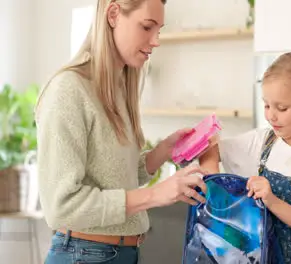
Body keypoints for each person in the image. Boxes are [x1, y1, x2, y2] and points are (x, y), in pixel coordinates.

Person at [35, 0, 207, 263]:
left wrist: (162, 152)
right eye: (147, 27)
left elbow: (115, 179)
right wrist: (155, 195)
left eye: (158, 30)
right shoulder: (67, 91)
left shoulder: (117, 89)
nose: (156, 41)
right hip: (84, 255)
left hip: (122, 253)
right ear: (113, 14)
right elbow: (62, 206)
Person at [200, 52, 291, 263]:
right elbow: (210, 147)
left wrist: (271, 200)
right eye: (267, 105)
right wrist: (215, 188)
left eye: (282, 108)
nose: (271, 115)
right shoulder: (261, 141)